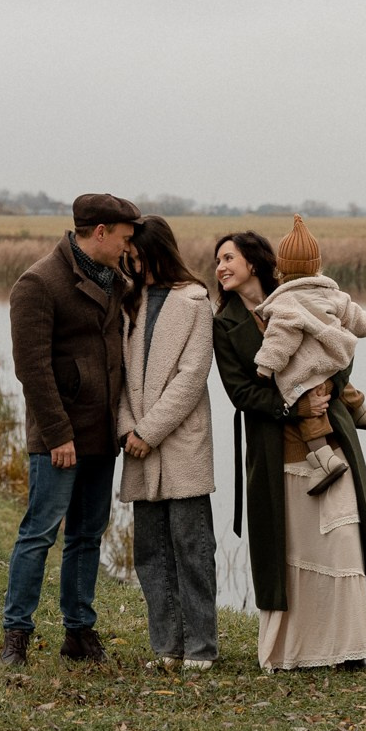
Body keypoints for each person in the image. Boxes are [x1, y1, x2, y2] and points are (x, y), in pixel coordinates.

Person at [213, 228, 366, 672]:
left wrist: (327, 387)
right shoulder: (225, 323)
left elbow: (341, 352)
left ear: (254, 261)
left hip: (332, 442)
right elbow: (241, 393)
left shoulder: (302, 297)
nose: (221, 268)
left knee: (342, 542)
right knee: (291, 553)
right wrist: (294, 403)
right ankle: (294, 652)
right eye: (218, 262)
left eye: (228, 258)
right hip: (278, 453)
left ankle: (350, 649)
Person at [0, 192, 141, 669]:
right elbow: (32, 368)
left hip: (101, 432)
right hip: (58, 438)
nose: (127, 247)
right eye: (124, 238)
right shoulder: (38, 283)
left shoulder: (117, 281)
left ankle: (79, 632)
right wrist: (58, 434)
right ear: (99, 233)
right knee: (39, 533)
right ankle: (15, 635)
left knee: (87, 535)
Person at [118, 216, 218, 671]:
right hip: (137, 445)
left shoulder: (196, 301)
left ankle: (201, 648)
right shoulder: (128, 302)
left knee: (192, 550)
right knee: (151, 554)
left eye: (136, 257)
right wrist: (126, 431)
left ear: (156, 252)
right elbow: (119, 375)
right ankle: (166, 648)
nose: (132, 266)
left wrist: (147, 433)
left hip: (179, 444)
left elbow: (191, 377)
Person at [253, 212, 366, 494]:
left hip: (307, 374)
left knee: (308, 411)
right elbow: (356, 316)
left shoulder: (285, 302)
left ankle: (325, 461)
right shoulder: (332, 293)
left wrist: (265, 368)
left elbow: (279, 341)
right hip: (335, 361)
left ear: (280, 268)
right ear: (317, 265)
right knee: (340, 383)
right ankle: (361, 411)